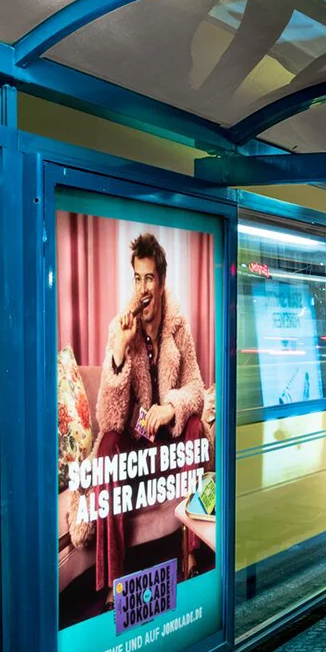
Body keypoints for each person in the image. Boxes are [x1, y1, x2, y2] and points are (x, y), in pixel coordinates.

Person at [75, 233, 208, 606]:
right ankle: (111, 582)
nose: (143, 288)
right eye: (137, 279)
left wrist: (172, 408)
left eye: (149, 278)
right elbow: (110, 418)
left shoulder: (178, 327)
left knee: (197, 428)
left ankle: (191, 554)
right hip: (137, 451)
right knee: (107, 445)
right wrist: (118, 352)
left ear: (161, 282)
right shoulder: (122, 328)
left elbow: (196, 387)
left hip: (167, 445)